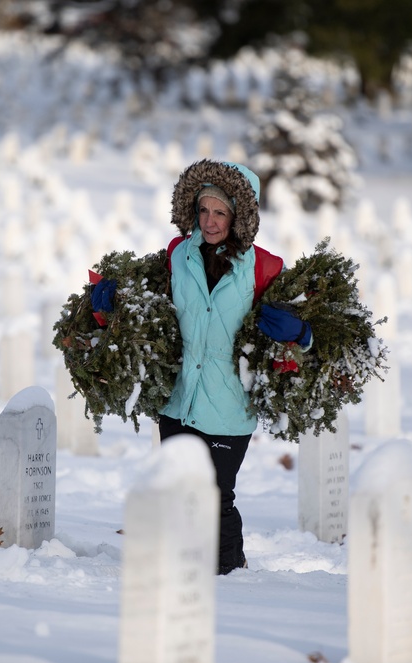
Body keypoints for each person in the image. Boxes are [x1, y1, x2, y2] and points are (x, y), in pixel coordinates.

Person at [92, 159, 312, 575]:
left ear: (240, 217)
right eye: (203, 211)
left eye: (221, 213)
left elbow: (318, 337)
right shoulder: (179, 254)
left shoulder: (265, 268)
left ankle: (229, 576)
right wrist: (112, 301)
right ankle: (180, 575)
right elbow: (147, 300)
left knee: (215, 494)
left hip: (228, 407)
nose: (209, 222)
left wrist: (301, 333)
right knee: (178, 492)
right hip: (179, 400)